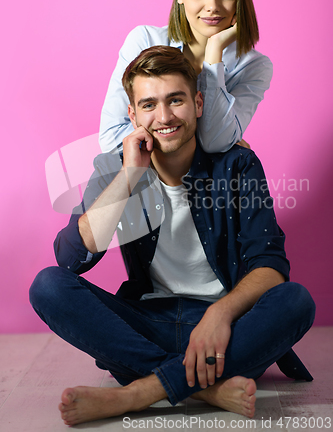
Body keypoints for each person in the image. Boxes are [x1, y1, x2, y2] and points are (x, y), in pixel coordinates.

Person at [30, 47, 315, 427]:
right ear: (132, 114)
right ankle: (203, 389)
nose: (163, 117)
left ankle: (139, 391)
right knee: (47, 286)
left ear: (198, 103)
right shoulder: (115, 167)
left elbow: (271, 265)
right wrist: (130, 176)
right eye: (148, 104)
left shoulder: (237, 164)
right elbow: (71, 259)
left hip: (224, 333)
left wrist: (220, 313)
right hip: (147, 324)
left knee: (295, 300)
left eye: (175, 100)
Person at [99, 0, 273, 154]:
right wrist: (191, 137)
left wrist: (214, 52)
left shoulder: (253, 66)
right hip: (145, 183)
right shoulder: (144, 41)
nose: (213, 6)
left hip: (205, 186)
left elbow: (214, 142)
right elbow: (111, 139)